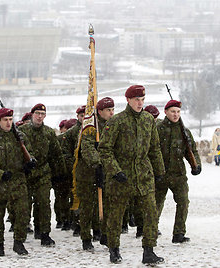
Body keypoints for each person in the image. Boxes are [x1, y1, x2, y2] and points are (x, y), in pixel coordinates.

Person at [99, 85, 165, 265]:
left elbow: (154, 148)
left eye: (142, 99)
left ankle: (149, 250)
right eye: (137, 99)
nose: (140, 103)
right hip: (122, 176)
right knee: (116, 215)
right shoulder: (117, 121)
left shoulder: (148, 120)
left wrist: (159, 172)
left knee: (151, 213)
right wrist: (115, 170)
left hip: (143, 175)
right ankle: (113, 249)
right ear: (128, 100)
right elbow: (104, 149)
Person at [0, 108, 35, 256]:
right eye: (5, 120)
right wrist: (0, 174)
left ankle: (19, 242)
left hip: (18, 182)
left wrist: (29, 164)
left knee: (23, 213)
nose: (8, 123)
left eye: (10, 119)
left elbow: (29, 154)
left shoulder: (19, 137)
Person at [19, 103, 66, 246]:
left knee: (44, 203)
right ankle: (21, 233)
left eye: (42, 114)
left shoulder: (49, 132)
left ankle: (44, 233)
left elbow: (56, 154)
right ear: (32, 114)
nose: (40, 117)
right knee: (24, 205)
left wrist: (60, 173)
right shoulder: (21, 131)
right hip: (26, 173)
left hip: (43, 172)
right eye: (37, 113)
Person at [155, 99, 201, 244]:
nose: (175, 115)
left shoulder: (184, 132)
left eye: (178, 112)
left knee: (183, 202)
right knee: (155, 204)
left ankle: (179, 233)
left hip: (178, 174)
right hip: (160, 174)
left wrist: (196, 165)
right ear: (166, 112)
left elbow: (191, 150)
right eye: (172, 112)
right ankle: (150, 232)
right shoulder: (157, 130)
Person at [76, 97, 115, 251]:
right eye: (108, 110)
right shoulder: (91, 127)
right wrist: (97, 161)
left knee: (107, 205)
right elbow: (86, 148)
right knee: (87, 207)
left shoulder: (113, 125)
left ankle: (105, 234)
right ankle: (86, 237)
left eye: (113, 110)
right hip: (87, 173)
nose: (111, 113)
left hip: (106, 172)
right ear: (100, 111)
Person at [62, 106, 86, 236]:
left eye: (85, 115)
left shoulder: (93, 129)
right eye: (81, 116)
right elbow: (66, 153)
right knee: (76, 197)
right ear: (77, 117)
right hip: (75, 169)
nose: (83, 118)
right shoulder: (71, 132)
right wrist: (74, 164)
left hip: (89, 170)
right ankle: (77, 224)